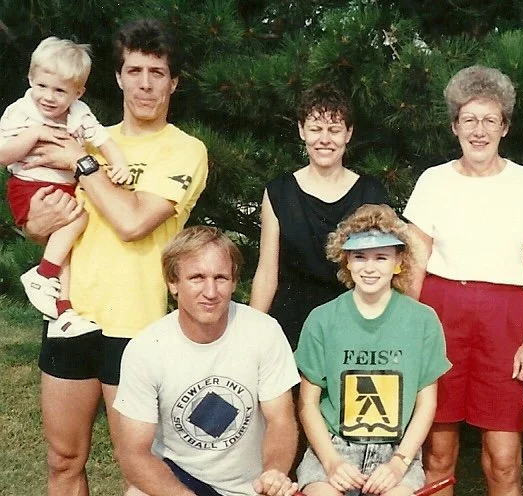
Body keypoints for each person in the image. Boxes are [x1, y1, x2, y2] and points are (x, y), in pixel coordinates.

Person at [24, 19, 209, 495]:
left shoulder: (185, 150)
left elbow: (132, 223)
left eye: (157, 72)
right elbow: (40, 222)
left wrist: (81, 165)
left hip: (137, 327)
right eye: (134, 70)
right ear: (118, 77)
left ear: (174, 82)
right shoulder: (85, 136)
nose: (145, 84)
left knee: (142, 471)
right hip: (71, 317)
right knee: (63, 460)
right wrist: (36, 222)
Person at [403, 65, 523, 496]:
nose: (479, 130)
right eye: (469, 120)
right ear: (455, 126)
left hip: (505, 321)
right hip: (440, 314)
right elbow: (414, 265)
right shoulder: (433, 182)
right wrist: (410, 333)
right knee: (437, 451)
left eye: (490, 120)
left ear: (504, 127)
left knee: (504, 458)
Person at [114, 226, 300, 496]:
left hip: (252, 486)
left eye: (221, 277)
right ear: (173, 282)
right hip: (180, 482)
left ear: (235, 281)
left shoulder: (263, 331)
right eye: (197, 277)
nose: (210, 292)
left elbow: (281, 420)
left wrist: (273, 473)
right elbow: (133, 455)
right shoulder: (145, 350)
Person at [294, 204, 451, 496]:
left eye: (381, 257)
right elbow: (308, 404)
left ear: (399, 261)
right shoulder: (322, 319)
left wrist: (399, 463)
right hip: (333, 447)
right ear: (347, 261)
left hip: (395, 451)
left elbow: (426, 403)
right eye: (360, 257)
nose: (369, 267)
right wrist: (331, 462)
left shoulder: (423, 320)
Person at [1, 36, 131, 334]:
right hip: (29, 186)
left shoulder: (79, 114)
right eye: (41, 86)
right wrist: (35, 134)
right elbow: (3, 154)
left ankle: (63, 311)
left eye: (60, 90)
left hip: (65, 187)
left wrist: (119, 162)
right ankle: (43, 275)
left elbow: (103, 139)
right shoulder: (21, 112)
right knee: (79, 220)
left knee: (66, 249)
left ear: (77, 92)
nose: (48, 97)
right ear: (30, 78)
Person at [250, 83, 388, 350]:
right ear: (302, 131)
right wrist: (252, 332)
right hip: (290, 325)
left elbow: (385, 270)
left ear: (348, 134)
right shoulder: (278, 191)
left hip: (354, 320)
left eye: (334, 130)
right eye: (316, 129)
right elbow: (267, 271)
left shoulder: (372, 192)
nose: (324, 139)